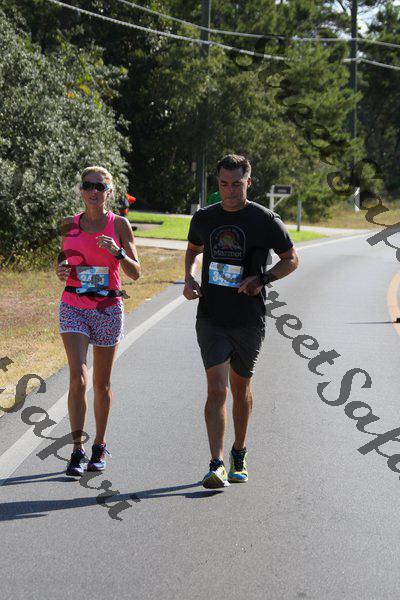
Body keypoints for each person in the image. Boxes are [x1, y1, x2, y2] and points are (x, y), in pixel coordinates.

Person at [183, 154, 299, 489]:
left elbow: (291, 259)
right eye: (224, 184)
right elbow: (193, 249)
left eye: (236, 184)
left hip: (248, 318)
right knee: (216, 388)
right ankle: (216, 463)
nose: (230, 190)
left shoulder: (265, 219)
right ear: (217, 184)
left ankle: (239, 451)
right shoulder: (205, 217)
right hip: (211, 316)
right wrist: (189, 278)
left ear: (248, 182)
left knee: (240, 388)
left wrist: (263, 279)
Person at [56, 166, 141, 477]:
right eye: (87, 185)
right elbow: (63, 258)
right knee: (78, 379)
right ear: (80, 190)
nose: (93, 191)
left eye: (99, 187)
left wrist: (117, 252)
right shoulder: (68, 224)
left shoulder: (119, 224)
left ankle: (99, 445)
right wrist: (61, 270)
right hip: (73, 304)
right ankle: (77, 449)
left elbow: (136, 272)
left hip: (107, 308)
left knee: (101, 384)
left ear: (109, 192)